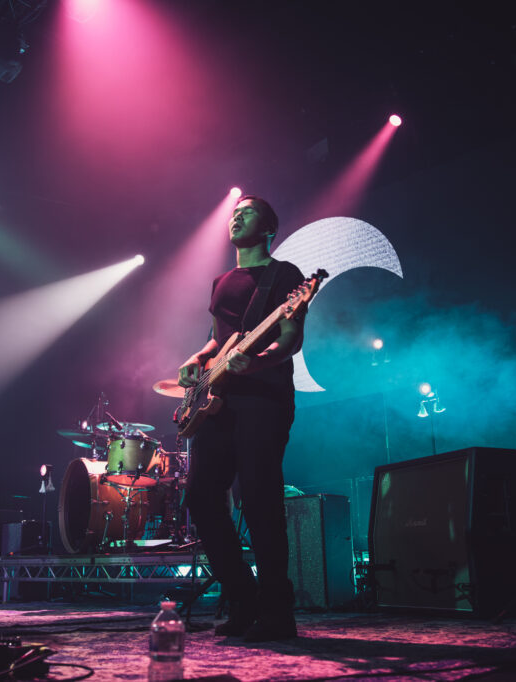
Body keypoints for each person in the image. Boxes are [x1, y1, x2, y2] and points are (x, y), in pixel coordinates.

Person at [178, 195, 306, 642]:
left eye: (246, 211)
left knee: (259, 499)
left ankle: (277, 610)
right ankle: (242, 596)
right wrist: (197, 356)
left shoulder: (286, 275)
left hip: (264, 398)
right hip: (219, 399)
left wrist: (256, 363)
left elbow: (290, 337)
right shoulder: (221, 281)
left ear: (269, 227)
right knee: (199, 496)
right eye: (234, 212)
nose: (236, 216)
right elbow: (218, 341)